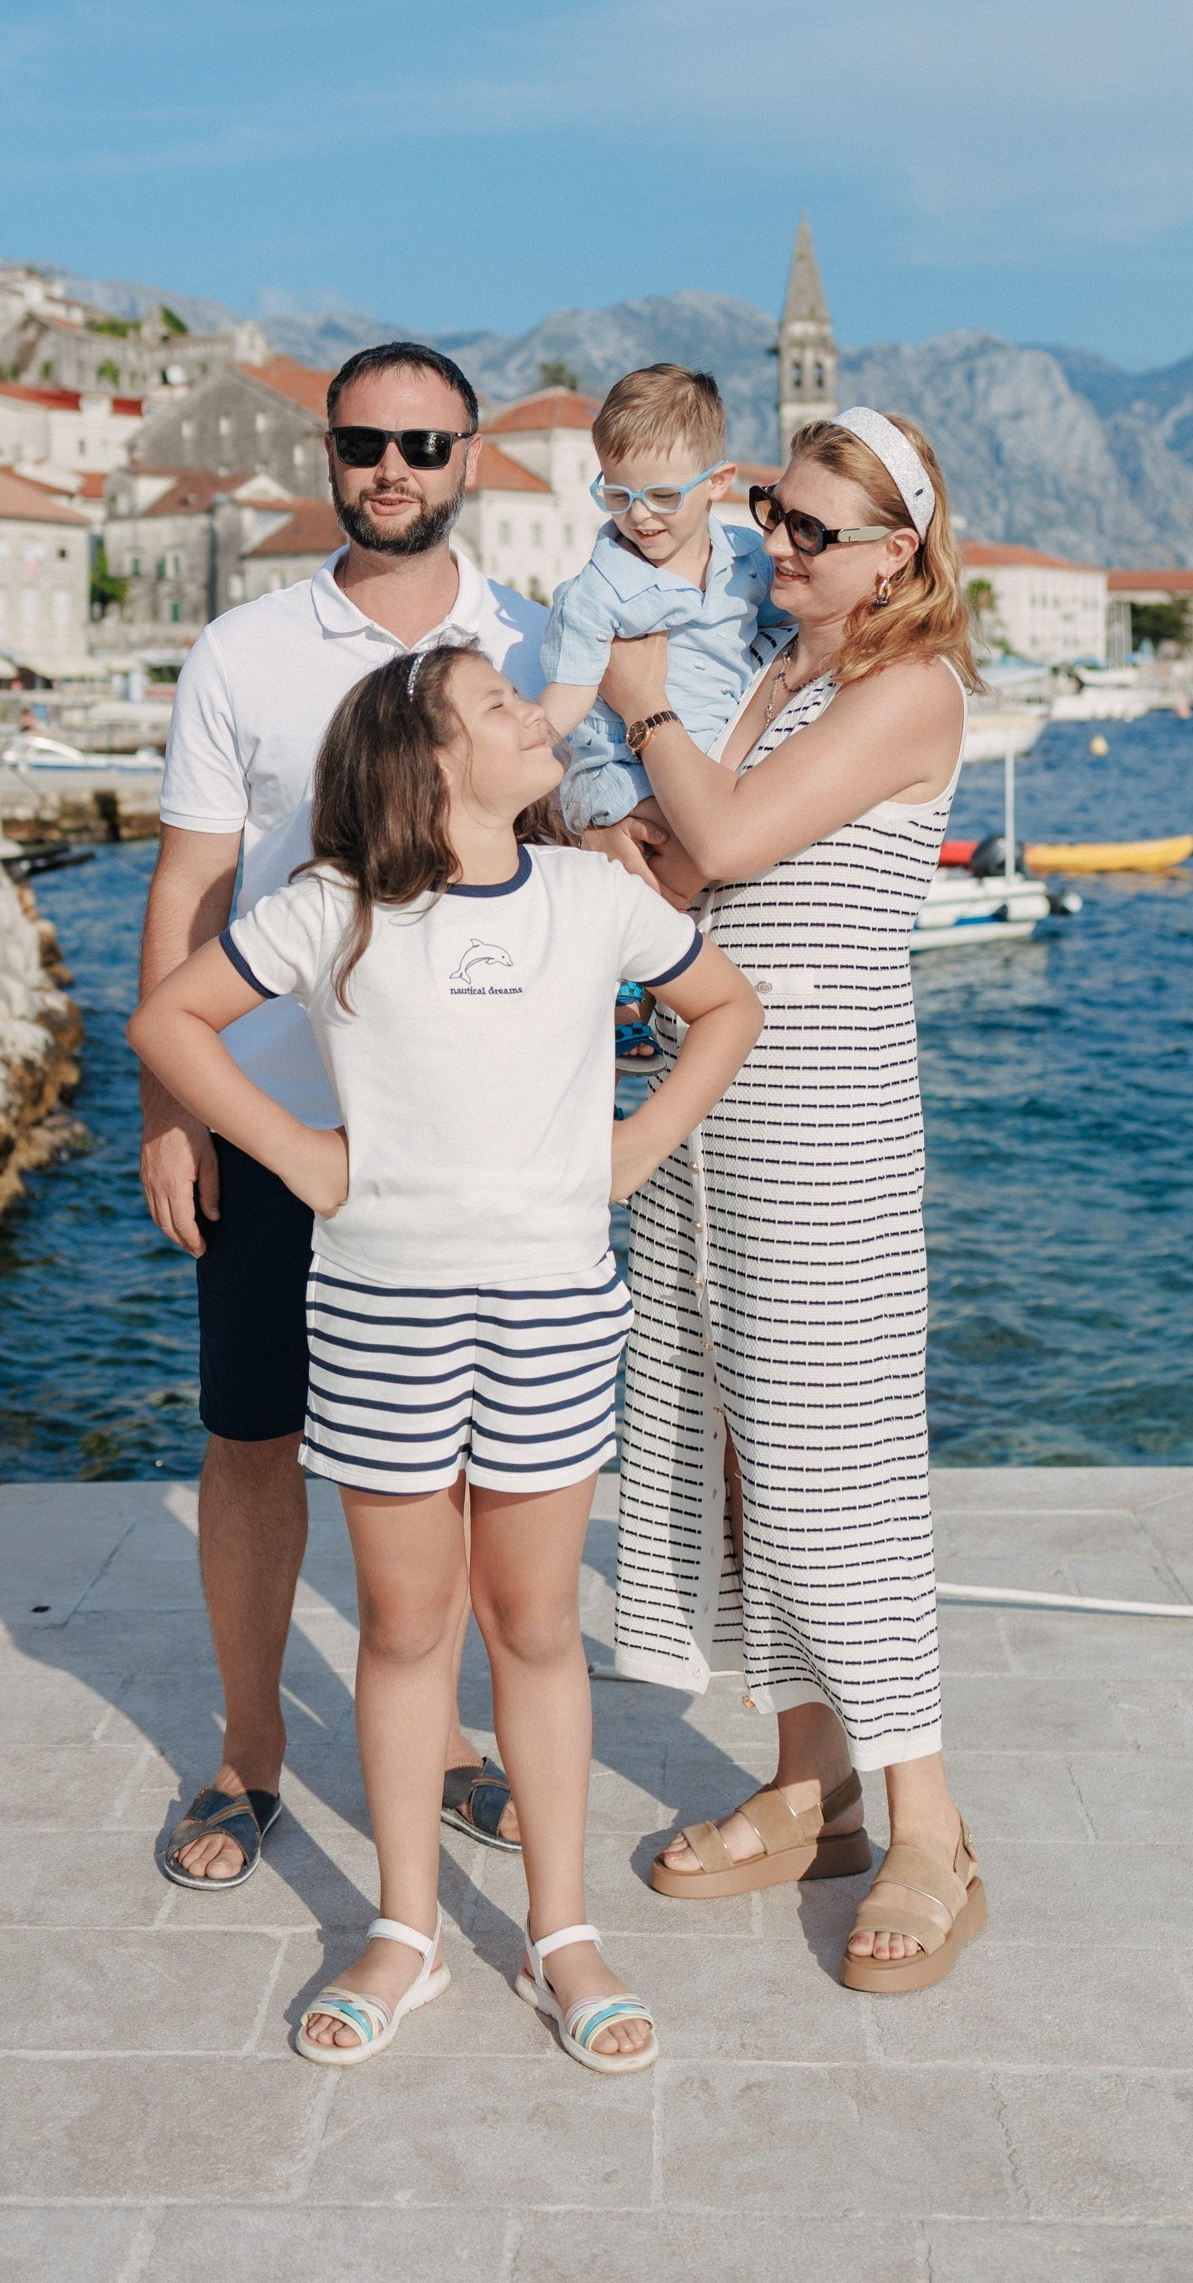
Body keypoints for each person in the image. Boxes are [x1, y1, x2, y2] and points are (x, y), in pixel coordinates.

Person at [128, 646, 762, 2067]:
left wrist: (637, 1147)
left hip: (552, 1314)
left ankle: (560, 1932)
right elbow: (168, 1017)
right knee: (407, 1629)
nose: (535, 714)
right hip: (380, 1319)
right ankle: (404, 1931)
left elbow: (730, 1006)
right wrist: (299, 1155)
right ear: (426, 766)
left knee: (534, 1627)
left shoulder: (595, 897)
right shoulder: (334, 909)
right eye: (497, 707)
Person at [140, 341, 547, 1886]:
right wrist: (170, 1110)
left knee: (455, 1462)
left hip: (469, 1135)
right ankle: (249, 1756)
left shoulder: (532, 643)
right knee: (253, 1438)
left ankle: (442, 1740)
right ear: (326, 453)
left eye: (425, 446)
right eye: (366, 442)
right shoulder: (241, 651)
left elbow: (580, 863)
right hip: (270, 1118)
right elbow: (190, 884)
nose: (393, 469)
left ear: (470, 460)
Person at [598, 406, 990, 1998]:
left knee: (836, 1474)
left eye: (814, 529)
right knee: (738, 1459)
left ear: (896, 551)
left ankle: (932, 1829)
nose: (776, 541)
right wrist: (639, 814)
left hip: (823, 1127)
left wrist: (641, 707)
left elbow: (727, 832)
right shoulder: (778, 673)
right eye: (773, 508)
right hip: (706, 1116)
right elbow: (688, 872)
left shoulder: (910, 689)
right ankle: (812, 1788)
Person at [539, 363, 790, 882]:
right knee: (684, 858)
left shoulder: (748, 561)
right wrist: (503, 761)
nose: (639, 516)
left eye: (663, 496)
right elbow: (566, 700)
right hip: (626, 775)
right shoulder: (594, 596)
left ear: (718, 482)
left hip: (714, 763)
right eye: (618, 496)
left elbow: (794, 621)